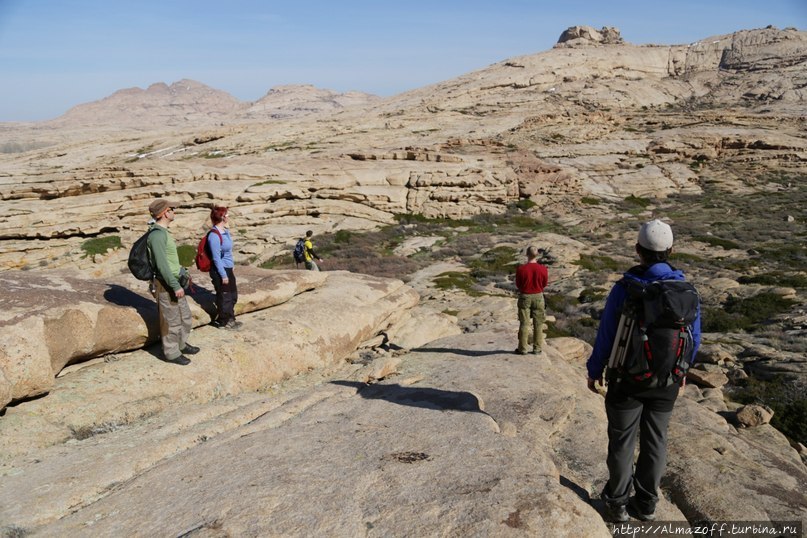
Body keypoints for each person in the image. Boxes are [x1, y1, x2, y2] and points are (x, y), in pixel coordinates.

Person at [586, 219, 701, 523]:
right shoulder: (685, 290)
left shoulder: (626, 289)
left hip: (627, 380)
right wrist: (682, 370)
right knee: (656, 440)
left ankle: (617, 503)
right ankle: (647, 503)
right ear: (671, 250)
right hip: (667, 381)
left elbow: (607, 335)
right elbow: (695, 337)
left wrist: (594, 369)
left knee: (622, 441)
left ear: (638, 250)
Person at [146, 199, 200, 365]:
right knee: (171, 320)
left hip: (175, 281)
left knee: (185, 316)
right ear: (164, 213)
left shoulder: (163, 232)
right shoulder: (156, 236)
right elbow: (162, 265)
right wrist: (175, 285)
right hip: (166, 284)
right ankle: (171, 353)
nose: (174, 211)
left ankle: (181, 344)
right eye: (172, 209)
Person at [207, 206, 241, 330]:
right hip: (220, 270)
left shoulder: (225, 232)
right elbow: (216, 258)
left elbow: (228, 252)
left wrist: (231, 266)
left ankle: (230, 318)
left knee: (232, 295)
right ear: (221, 217)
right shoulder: (214, 235)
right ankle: (225, 322)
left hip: (228, 267)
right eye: (226, 215)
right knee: (225, 296)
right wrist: (223, 275)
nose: (228, 217)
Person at [514, 246, 549, 355]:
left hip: (525, 296)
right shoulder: (543, 269)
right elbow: (544, 283)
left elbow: (518, 284)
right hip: (538, 296)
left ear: (527, 254)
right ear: (537, 255)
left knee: (524, 323)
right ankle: (537, 348)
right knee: (538, 324)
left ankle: (522, 348)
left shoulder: (521, 269)